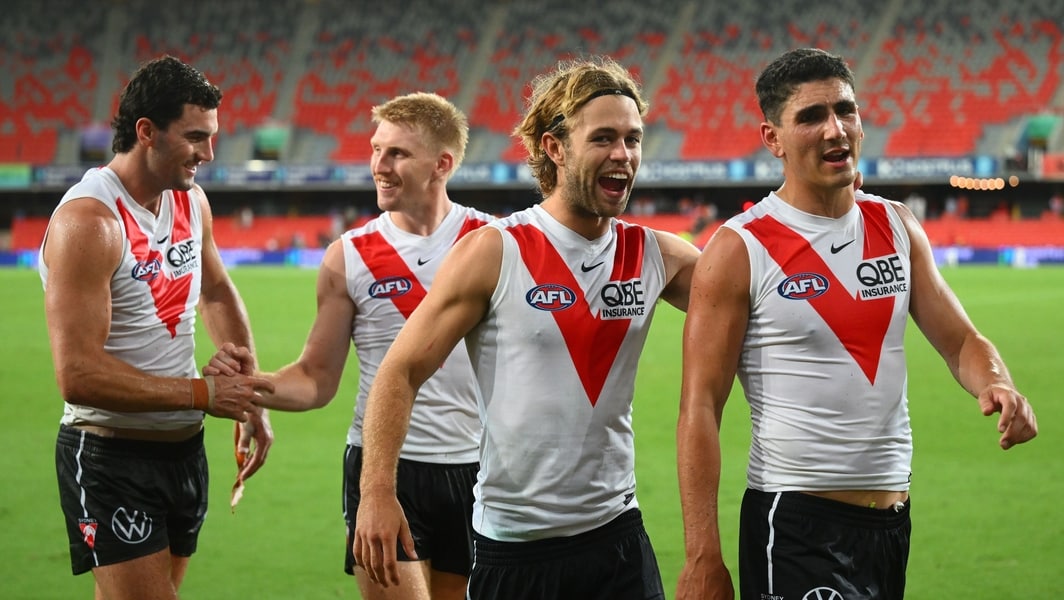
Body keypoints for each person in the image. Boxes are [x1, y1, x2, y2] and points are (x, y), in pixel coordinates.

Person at [675, 47, 1039, 600]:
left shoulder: (896, 224)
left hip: (890, 525)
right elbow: (699, 406)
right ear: (772, 139)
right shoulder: (739, 249)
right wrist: (704, 555)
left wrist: (997, 381)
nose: (835, 129)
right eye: (810, 116)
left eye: (845, 110)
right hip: (795, 522)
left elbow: (960, 339)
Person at [351, 56, 700, 600]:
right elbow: (400, 370)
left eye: (633, 139)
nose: (623, 156)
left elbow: (760, 301)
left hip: (618, 539)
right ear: (554, 148)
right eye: (603, 138)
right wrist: (376, 490)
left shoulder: (657, 254)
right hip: (516, 548)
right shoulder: (497, 251)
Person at [205, 92, 492, 600]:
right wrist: (248, 388)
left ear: (442, 164)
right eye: (376, 150)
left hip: (482, 469)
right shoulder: (350, 256)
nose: (379, 166)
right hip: (384, 469)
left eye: (397, 153)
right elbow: (316, 378)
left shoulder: (490, 242)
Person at [38, 55, 275, 600]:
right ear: (146, 131)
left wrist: (248, 393)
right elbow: (76, 374)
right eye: (196, 137)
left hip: (184, 454)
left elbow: (215, 289)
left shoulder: (190, 200)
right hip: (110, 456)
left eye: (212, 137)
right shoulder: (89, 223)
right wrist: (203, 393)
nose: (209, 154)